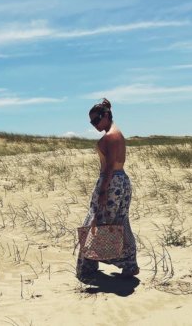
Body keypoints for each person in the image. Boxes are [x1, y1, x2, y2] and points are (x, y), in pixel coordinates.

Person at [76, 98, 139, 281]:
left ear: (106, 115)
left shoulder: (111, 136)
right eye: (92, 122)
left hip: (111, 182)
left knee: (96, 221)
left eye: (96, 120)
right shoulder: (117, 133)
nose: (95, 124)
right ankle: (129, 264)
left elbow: (110, 166)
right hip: (121, 181)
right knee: (119, 222)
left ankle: (87, 267)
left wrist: (103, 191)